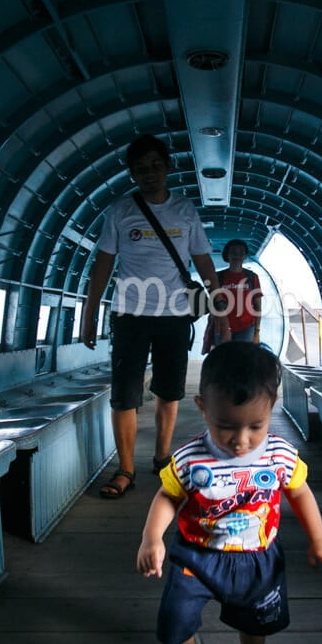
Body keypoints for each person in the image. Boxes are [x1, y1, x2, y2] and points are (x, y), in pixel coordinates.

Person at [135, 341, 322, 644]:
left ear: (272, 409)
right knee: (173, 620)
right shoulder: (189, 460)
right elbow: (168, 496)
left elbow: (300, 493)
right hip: (196, 557)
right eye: (226, 426)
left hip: (256, 557)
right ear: (202, 408)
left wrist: (320, 541)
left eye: (256, 426)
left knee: (256, 623)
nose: (241, 440)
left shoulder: (280, 455)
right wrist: (152, 538)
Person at [80, 133, 225, 499]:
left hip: (174, 315)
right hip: (129, 313)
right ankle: (125, 469)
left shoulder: (184, 210)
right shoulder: (120, 211)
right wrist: (90, 311)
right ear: (132, 173)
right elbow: (103, 263)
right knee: (124, 395)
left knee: (169, 391)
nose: (149, 173)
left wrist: (219, 306)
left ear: (168, 167)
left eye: (156, 166)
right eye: (141, 168)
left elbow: (204, 260)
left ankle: (162, 459)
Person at [206, 239, 261, 350]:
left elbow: (258, 307)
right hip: (221, 326)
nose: (237, 256)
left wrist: (256, 332)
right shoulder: (218, 277)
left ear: (245, 255)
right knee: (223, 360)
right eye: (233, 252)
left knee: (243, 360)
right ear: (227, 255)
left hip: (246, 328)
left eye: (241, 252)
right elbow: (213, 304)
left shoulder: (252, 277)